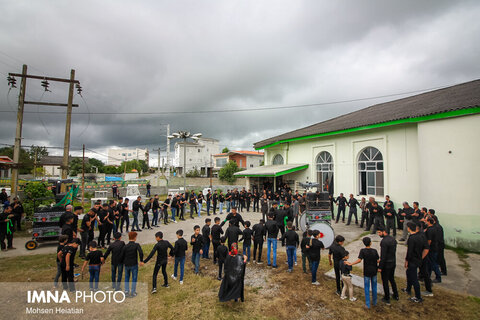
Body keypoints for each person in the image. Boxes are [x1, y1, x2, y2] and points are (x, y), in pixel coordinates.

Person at [348, 237, 379, 308]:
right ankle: (375, 302)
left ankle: (367, 304)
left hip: (367, 271)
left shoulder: (363, 251)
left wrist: (351, 263)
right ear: (370, 242)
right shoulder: (374, 251)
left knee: (367, 287)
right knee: (374, 286)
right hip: (374, 270)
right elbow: (378, 260)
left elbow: (359, 260)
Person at [403, 222, 429, 303]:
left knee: (414, 278)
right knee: (408, 273)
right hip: (418, 259)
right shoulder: (421, 236)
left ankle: (418, 297)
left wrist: (406, 260)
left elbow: (409, 251)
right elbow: (426, 248)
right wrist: (421, 257)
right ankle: (408, 289)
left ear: (409, 228)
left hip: (412, 260)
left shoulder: (412, 238)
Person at [377, 226, 399, 305]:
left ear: (384, 231)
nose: (379, 234)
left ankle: (387, 298)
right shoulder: (393, 239)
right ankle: (396, 295)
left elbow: (383, 256)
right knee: (392, 279)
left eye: (379, 232)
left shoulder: (384, 242)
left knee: (385, 281)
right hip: (393, 262)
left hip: (386, 264)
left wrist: (380, 267)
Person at [121, 231, 144, 297]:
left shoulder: (125, 246)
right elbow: (141, 252)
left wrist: (123, 262)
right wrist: (141, 260)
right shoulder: (136, 245)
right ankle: (133, 292)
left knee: (126, 277)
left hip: (127, 264)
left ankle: (126, 291)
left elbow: (122, 255)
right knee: (134, 277)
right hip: (134, 263)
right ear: (135, 237)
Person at [425, 217, 442, 283]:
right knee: (429, 264)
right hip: (434, 247)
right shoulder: (434, 228)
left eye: (426, 220)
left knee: (433, 264)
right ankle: (427, 277)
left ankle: (438, 277)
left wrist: (426, 248)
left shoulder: (430, 230)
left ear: (429, 222)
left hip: (431, 249)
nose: (425, 221)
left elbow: (429, 241)